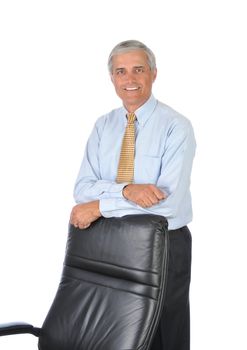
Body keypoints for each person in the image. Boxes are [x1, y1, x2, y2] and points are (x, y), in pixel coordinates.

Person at [70, 40, 196, 350]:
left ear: (154, 74)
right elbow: (82, 189)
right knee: (116, 331)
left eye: (138, 70)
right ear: (112, 78)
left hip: (162, 242)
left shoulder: (176, 127)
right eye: (121, 72)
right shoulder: (103, 126)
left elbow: (166, 204)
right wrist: (127, 190)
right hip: (108, 241)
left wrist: (101, 204)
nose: (130, 79)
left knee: (163, 333)